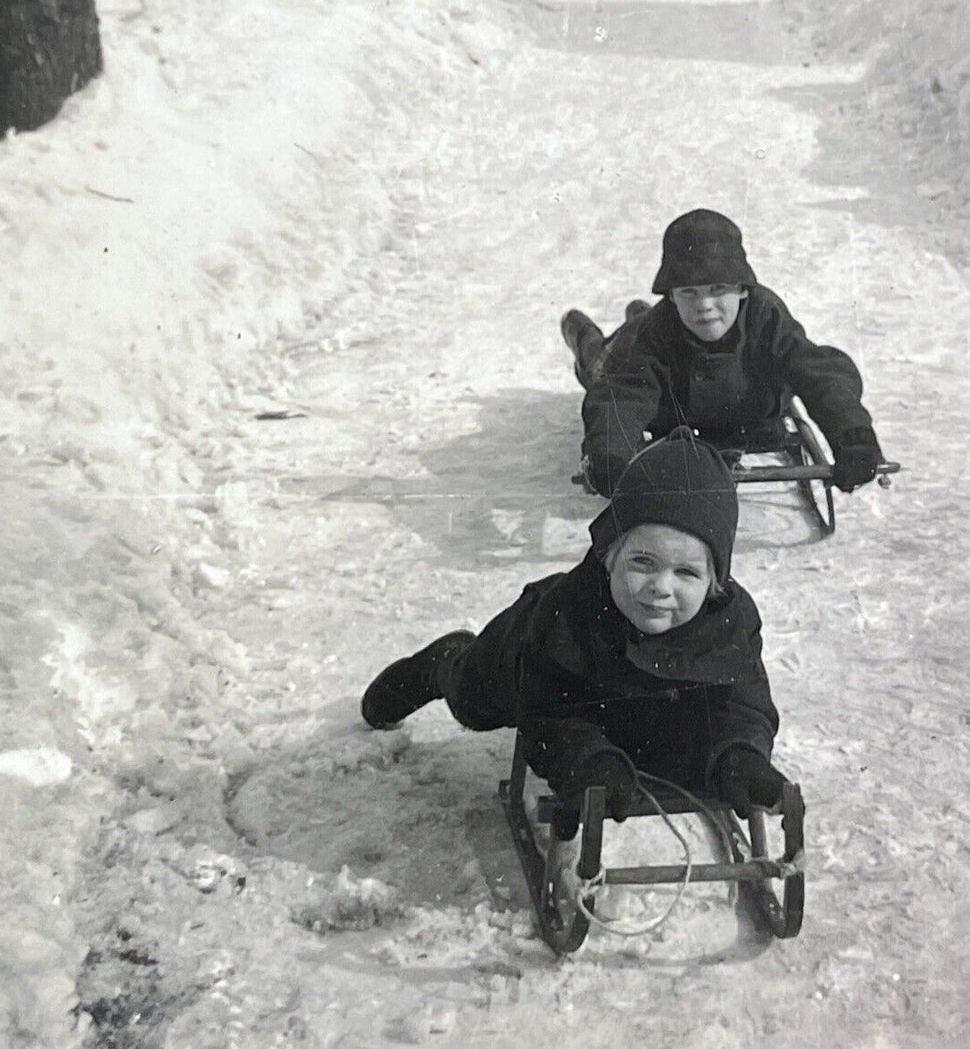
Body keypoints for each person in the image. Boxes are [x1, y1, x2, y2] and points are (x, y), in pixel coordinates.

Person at [359, 429, 789, 835]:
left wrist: (741, 754)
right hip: (518, 659)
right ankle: (442, 662)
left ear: (715, 582)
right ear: (609, 555)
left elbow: (743, 703)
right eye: (642, 562)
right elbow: (548, 714)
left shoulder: (730, 622)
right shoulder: (564, 615)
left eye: (686, 573)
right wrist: (587, 761)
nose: (661, 587)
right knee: (471, 700)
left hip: (633, 699)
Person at [561, 208, 884, 498]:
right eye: (688, 292)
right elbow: (622, 396)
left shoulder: (764, 314)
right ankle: (583, 334)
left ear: (742, 288)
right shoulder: (655, 331)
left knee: (645, 324)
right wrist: (608, 455)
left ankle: (636, 311)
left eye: (717, 290)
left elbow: (818, 373)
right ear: (671, 296)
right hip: (663, 402)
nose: (704, 305)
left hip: (750, 419)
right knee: (602, 365)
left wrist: (853, 435)